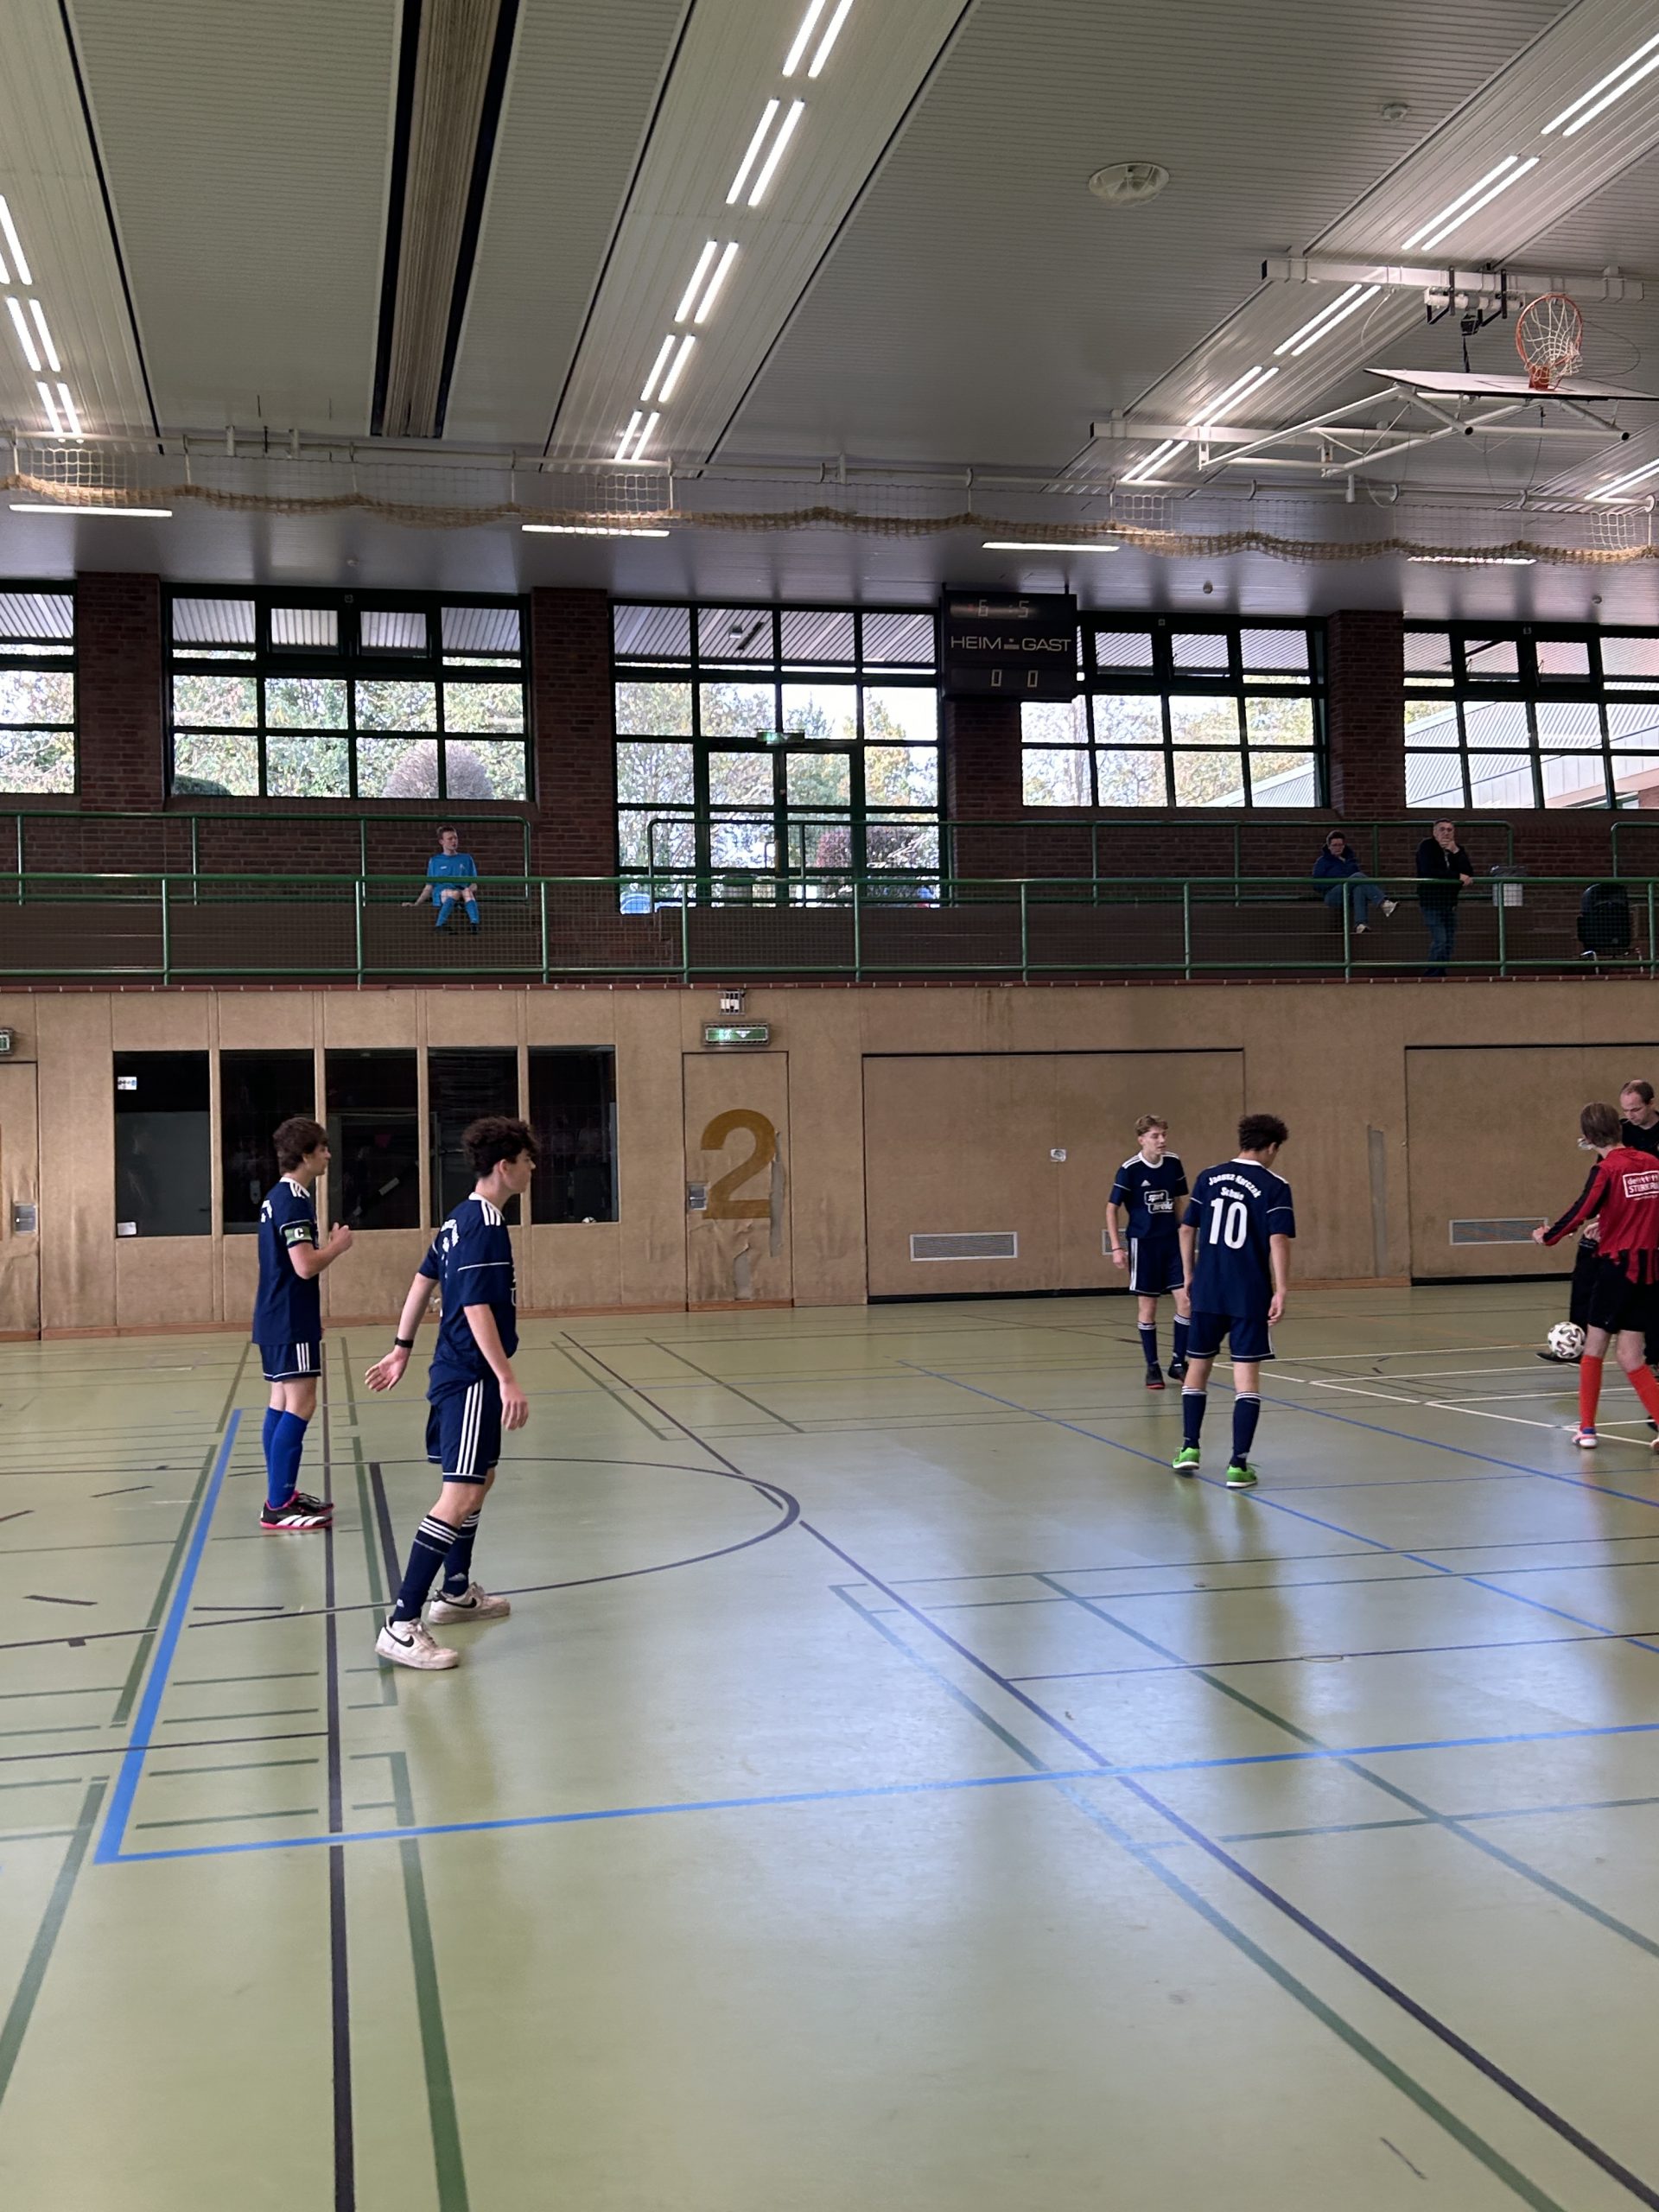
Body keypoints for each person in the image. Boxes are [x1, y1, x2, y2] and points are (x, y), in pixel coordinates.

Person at [365, 1116, 537, 1669]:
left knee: (481, 1479)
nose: (533, 1168)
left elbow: (423, 1281)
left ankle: (456, 1592)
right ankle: (400, 1623)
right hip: (470, 1377)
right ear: (505, 1167)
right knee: (460, 1494)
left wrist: (401, 1347)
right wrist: (506, 1377)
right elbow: (475, 1306)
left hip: (459, 1371)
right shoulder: (483, 1224)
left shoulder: (458, 1219)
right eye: (527, 1160)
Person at [1171, 1114, 1294, 1490]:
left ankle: (1189, 1448)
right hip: (1249, 1294)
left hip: (1208, 1290)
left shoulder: (1208, 1177)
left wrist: (1189, 1274)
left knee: (1197, 1368)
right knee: (1246, 1381)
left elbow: (1187, 1228)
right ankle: (1238, 1465)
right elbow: (1278, 1239)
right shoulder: (1275, 1186)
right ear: (1271, 1147)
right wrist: (1281, 1289)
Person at [1535, 1102, 1659, 1450]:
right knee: (1631, 1357)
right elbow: (1640, 1207)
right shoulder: (1652, 1163)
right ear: (1618, 1129)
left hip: (1617, 1269)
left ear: (1588, 1137)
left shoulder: (1606, 1169)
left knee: (1593, 1349)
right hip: (1649, 1271)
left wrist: (1548, 1236)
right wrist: (1609, 1221)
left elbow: (1581, 1209)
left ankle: (1587, 1429)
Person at [252, 1117, 353, 1531]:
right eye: (323, 1148)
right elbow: (305, 1265)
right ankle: (278, 1504)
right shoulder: (293, 1200)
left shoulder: (276, 1197)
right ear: (306, 1155)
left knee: (280, 1401)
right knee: (300, 1403)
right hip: (288, 1318)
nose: (329, 1155)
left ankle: (281, 1494)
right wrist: (337, 1247)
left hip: (278, 1316)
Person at [1108, 1115, 1191, 1389]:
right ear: (1142, 1139)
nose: (1162, 1140)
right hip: (1144, 1244)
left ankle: (1178, 1362)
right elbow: (1111, 1209)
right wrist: (1117, 1247)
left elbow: (1178, 1200)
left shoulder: (1174, 1163)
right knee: (1148, 1306)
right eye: (1155, 1136)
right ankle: (1152, 1366)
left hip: (1172, 1243)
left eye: (1164, 1134)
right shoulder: (1129, 1169)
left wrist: (1184, 1234)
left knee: (1186, 1301)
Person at [1414, 819, 1473, 977]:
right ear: (1435, 832)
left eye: (1449, 830)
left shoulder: (1457, 849)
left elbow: (1468, 872)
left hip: (1449, 902)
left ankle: (1441, 971)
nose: (1446, 833)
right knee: (1440, 939)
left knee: (1449, 941)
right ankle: (1432, 973)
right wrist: (1457, 876)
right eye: (1442, 829)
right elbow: (1428, 870)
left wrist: (1456, 852)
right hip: (1432, 901)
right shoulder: (1427, 847)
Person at [1312, 830, 1396, 935]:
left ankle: (1360, 924)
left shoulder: (1350, 860)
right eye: (1334, 845)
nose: (1338, 848)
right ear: (1329, 847)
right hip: (1333, 895)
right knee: (1358, 876)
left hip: (1349, 893)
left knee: (1359, 889)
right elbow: (1316, 884)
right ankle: (1383, 903)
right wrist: (1338, 881)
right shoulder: (1322, 862)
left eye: (1340, 845)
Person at [409, 824, 480, 929]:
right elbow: (429, 886)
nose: (454, 841)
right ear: (441, 841)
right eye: (450, 839)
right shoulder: (435, 861)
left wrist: (467, 890)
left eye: (455, 838)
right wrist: (417, 903)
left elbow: (474, 884)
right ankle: (440, 924)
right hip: (443, 893)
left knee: (466, 892)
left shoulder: (466, 859)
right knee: (455, 893)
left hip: (462, 892)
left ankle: (475, 924)